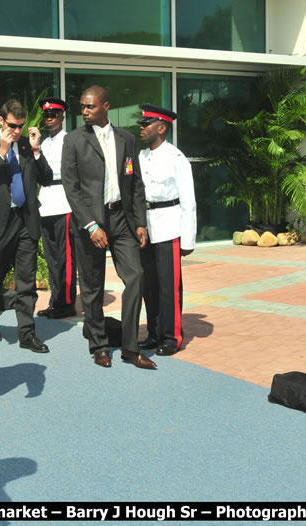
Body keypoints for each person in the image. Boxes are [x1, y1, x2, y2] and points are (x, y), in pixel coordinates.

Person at [61, 85, 155, 370]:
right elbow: (71, 186)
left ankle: (130, 347)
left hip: (122, 220)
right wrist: (90, 225)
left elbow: (135, 182)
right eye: (82, 106)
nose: (85, 111)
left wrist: (140, 222)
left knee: (136, 276)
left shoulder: (126, 139)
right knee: (91, 288)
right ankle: (99, 345)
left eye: (90, 106)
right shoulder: (74, 140)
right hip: (91, 223)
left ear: (106, 106)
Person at [0, 99, 52, 353]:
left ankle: (27, 334)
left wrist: (37, 150)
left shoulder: (28, 147)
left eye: (20, 126)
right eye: (12, 126)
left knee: (26, 280)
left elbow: (47, 178)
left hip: (26, 220)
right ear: (1, 121)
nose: (16, 131)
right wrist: (2, 152)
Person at [136, 104, 196, 356]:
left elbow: (188, 200)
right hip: (146, 228)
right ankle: (154, 333)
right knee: (149, 285)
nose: (141, 128)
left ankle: (171, 337)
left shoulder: (176, 158)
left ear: (161, 128)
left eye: (146, 124)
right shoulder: (141, 156)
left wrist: (187, 239)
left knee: (168, 286)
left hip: (169, 226)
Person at [36, 97, 77, 320]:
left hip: (64, 201)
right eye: (46, 116)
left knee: (66, 257)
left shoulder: (69, 141)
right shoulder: (42, 143)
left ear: (62, 117)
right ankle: (56, 301)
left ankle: (67, 303)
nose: (49, 119)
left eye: (53, 115)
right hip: (47, 202)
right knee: (52, 258)